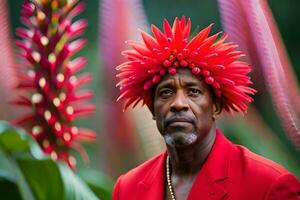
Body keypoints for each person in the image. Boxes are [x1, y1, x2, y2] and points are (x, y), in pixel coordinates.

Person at [113, 17, 300, 200]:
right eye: (166, 92)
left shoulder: (269, 184)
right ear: (153, 110)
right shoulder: (127, 189)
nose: (178, 103)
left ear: (216, 107)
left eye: (193, 91)